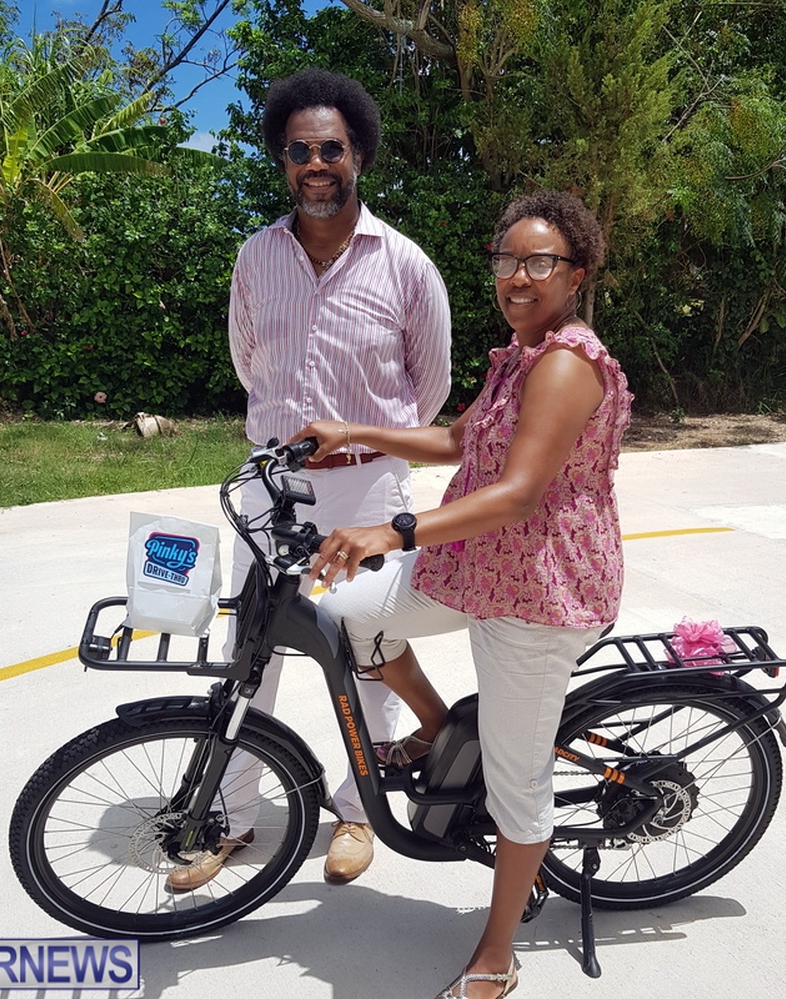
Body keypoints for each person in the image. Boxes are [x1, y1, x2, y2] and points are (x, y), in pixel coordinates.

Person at [294, 190, 632, 999]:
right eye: (506, 259)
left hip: (539, 591)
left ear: (575, 273)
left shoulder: (565, 364)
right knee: (345, 613)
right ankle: (440, 727)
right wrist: (353, 431)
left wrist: (393, 530)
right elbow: (454, 439)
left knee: (517, 784)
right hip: (476, 565)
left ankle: (496, 955)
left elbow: (517, 493)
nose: (517, 275)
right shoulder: (520, 354)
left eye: (539, 261)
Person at [166, 68, 451, 891]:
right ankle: (231, 818)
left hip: (367, 489)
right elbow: (247, 360)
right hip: (272, 485)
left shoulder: (405, 265)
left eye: (331, 149)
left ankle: (360, 811)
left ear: (358, 153)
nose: (315, 164)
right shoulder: (256, 257)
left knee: (369, 647)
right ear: (281, 159)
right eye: (299, 151)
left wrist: (358, 446)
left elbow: (428, 389)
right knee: (250, 651)